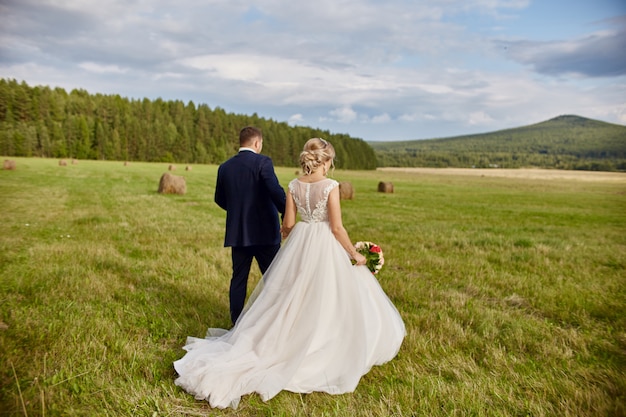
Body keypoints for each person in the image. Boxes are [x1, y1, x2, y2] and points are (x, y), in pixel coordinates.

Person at [175, 138, 405, 409]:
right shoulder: (331, 186)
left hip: (300, 241)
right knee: (327, 295)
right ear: (327, 161)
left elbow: (288, 225)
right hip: (324, 243)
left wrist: (292, 239)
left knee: (291, 295)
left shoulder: (294, 186)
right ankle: (321, 342)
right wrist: (354, 254)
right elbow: (337, 229)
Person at [214, 126, 286, 325]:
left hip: (238, 234)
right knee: (274, 278)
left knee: (238, 280)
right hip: (265, 233)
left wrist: (237, 211)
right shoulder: (263, 162)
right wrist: (287, 212)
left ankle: (236, 322)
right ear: (257, 143)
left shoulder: (225, 167)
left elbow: (219, 199)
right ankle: (276, 321)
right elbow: (275, 191)